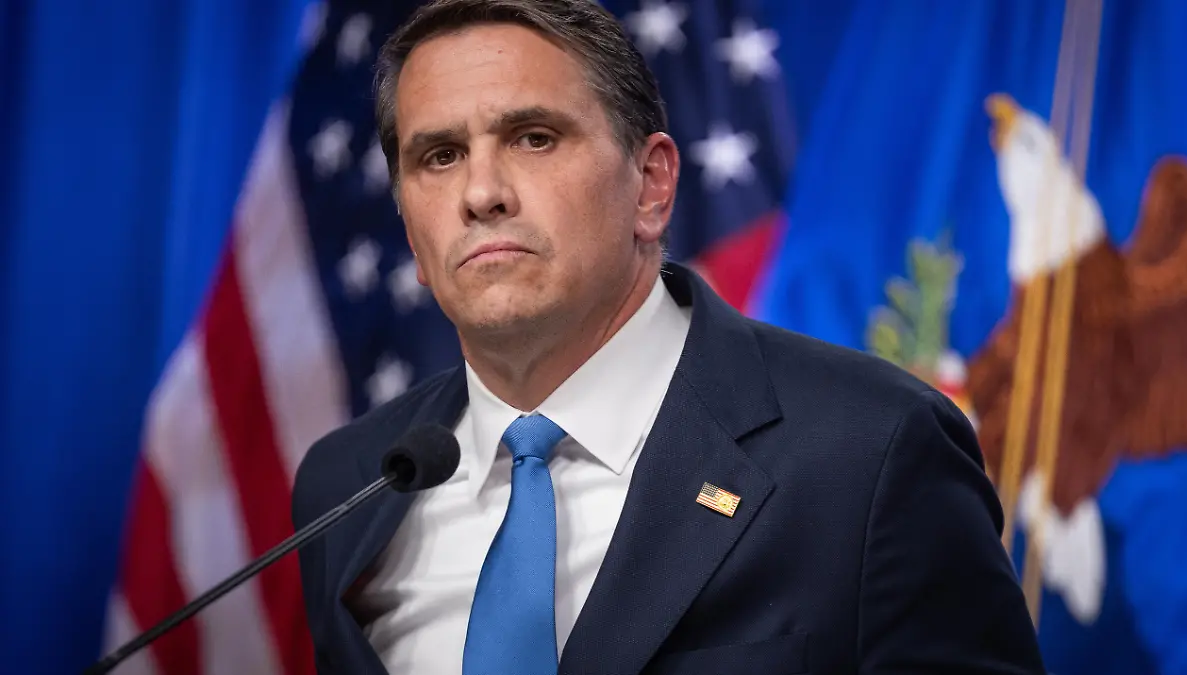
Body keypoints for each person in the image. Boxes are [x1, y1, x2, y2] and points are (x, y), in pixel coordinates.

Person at [291, 0, 1046, 673]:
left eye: (533, 137)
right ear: (413, 238)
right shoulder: (349, 485)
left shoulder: (873, 451)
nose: (481, 193)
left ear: (651, 186)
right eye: (440, 156)